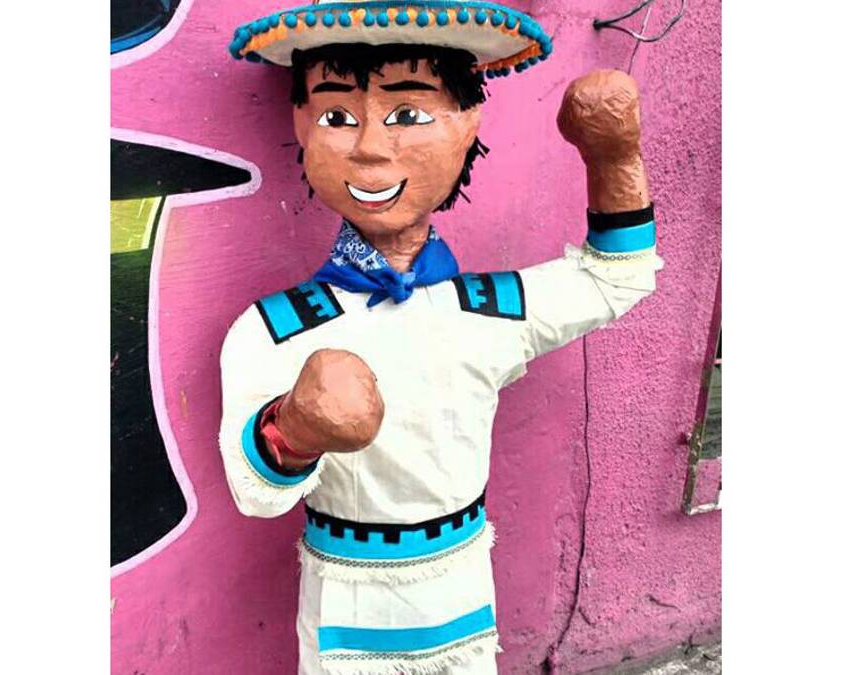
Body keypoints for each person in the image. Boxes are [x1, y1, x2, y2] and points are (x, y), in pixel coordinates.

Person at [219, 3, 663, 673]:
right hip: (348, 607)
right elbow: (254, 491)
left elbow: (615, 279)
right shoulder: (278, 329)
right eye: (337, 117)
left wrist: (613, 156)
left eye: (408, 114)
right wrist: (295, 428)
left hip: (460, 595)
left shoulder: (482, 311)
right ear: (302, 128)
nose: (371, 147)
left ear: (465, 126)